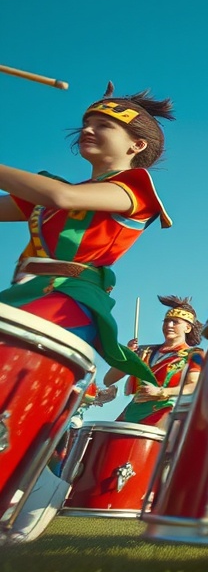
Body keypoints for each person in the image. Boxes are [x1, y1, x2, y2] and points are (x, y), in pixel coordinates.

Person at [0, 85, 178, 545]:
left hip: (68, 300)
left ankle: (35, 480)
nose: (88, 129)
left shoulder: (133, 188)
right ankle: (37, 481)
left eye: (105, 125)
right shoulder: (54, 191)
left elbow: (59, 197)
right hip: (27, 294)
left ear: (136, 145)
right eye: (87, 122)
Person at [101, 296, 204, 426]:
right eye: (166, 321)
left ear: (187, 328)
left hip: (166, 416)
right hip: (132, 413)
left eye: (175, 322)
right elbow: (108, 380)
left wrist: (162, 392)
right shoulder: (144, 351)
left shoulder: (195, 355)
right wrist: (126, 356)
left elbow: (195, 386)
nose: (168, 325)